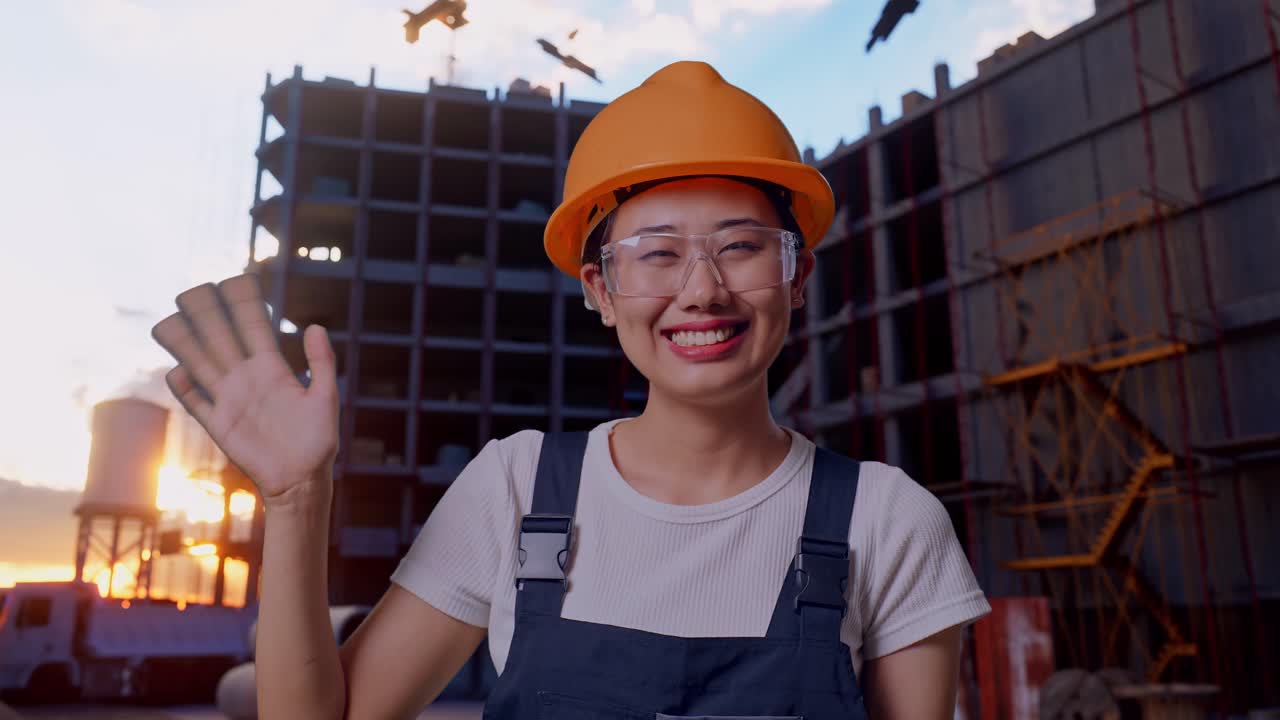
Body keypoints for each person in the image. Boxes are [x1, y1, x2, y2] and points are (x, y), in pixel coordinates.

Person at [152, 61, 989, 720]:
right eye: (656, 254)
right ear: (599, 289)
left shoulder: (888, 521)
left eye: (740, 247)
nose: (701, 291)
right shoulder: (516, 492)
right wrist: (298, 500)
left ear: (796, 275)